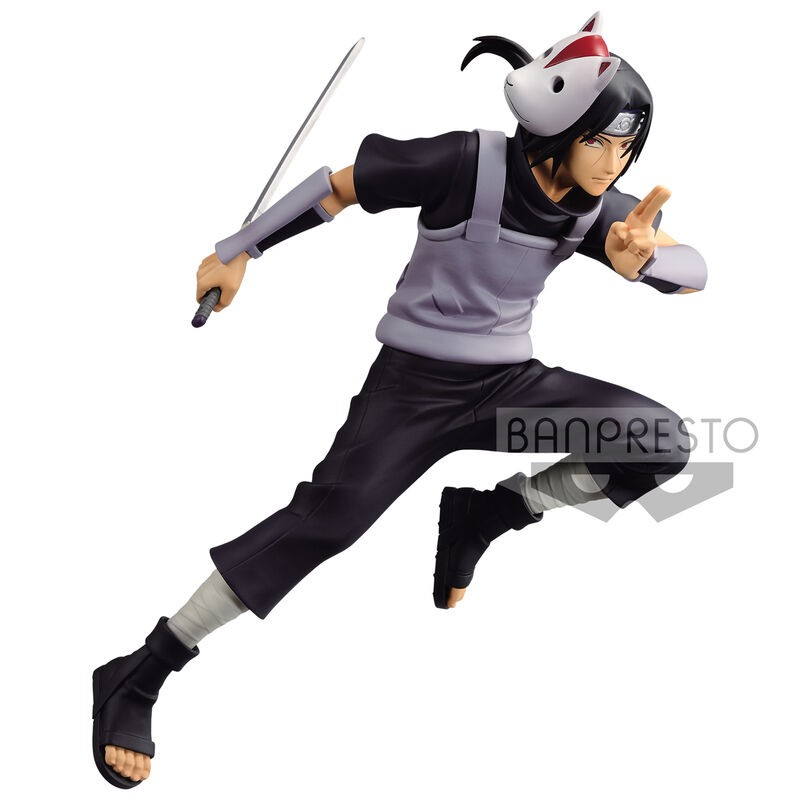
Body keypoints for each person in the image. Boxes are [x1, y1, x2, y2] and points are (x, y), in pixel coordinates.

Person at [92, 13, 707, 787]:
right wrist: (236, 250)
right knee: (327, 523)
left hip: (507, 388)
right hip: (411, 390)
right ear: (561, 128)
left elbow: (694, 270)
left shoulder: (599, 209)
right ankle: (141, 670)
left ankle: (490, 514)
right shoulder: (465, 162)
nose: (616, 162)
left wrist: (646, 262)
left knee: (659, 441)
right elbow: (338, 189)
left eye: (628, 147)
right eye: (604, 142)